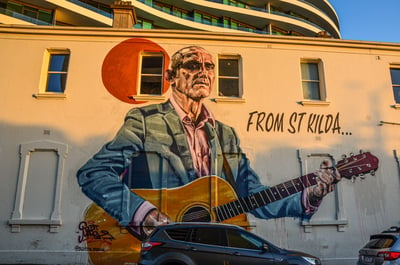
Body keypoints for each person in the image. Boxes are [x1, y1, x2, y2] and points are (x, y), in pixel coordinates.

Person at [77, 46, 340, 239]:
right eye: (192, 66)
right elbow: (94, 173)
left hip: (210, 245)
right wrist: (142, 213)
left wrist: (310, 195)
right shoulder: (145, 120)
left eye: (209, 67)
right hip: (155, 244)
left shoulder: (225, 135)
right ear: (172, 77)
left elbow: (253, 196)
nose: (203, 72)